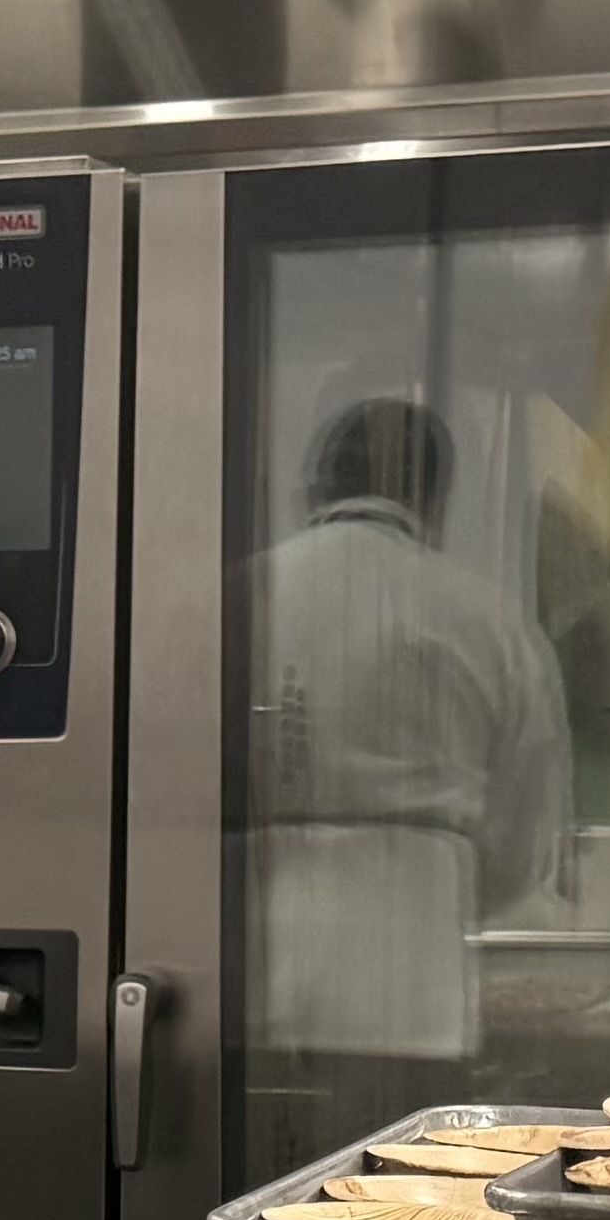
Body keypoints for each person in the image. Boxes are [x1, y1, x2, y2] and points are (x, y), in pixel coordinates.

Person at [247, 393, 576, 1151]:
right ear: (433, 498)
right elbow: (522, 843)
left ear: (314, 487)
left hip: (241, 969)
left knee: (244, 1179)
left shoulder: (242, 594)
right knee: (384, 1202)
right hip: (407, 988)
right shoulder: (487, 617)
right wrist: (445, 882)